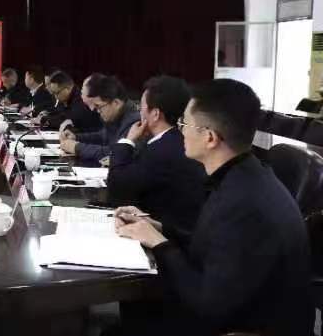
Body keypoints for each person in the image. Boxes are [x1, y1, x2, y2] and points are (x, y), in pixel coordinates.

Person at [115, 79, 313, 336]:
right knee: (131, 314)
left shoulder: (243, 203)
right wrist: (160, 229)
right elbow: (215, 245)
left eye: (184, 124)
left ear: (209, 137)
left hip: (242, 327)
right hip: (235, 309)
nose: (180, 132)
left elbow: (206, 305)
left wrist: (160, 244)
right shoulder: (246, 174)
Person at [106, 76, 206, 239]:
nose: (139, 112)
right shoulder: (170, 140)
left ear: (155, 114)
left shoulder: (164, 149)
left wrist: (128, 141)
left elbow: (118, 187)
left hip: (171, 237)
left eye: (141, 107)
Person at [61, 75, 139, 162]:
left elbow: (113, 152)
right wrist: (76, 137)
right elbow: (103, 136)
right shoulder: (116, 115)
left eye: (99, 106)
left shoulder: (133, 122)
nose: (97, 111)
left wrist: (77, 147)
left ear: (116, 103)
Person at [36, 70, 102, 132]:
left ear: (67, 89)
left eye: (57, 93)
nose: (55, 96)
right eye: (54, 94)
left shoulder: (80, 99)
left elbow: (70, 119)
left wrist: (47, 120)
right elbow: (59, 115)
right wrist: (46, 118)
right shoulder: (65, 99)